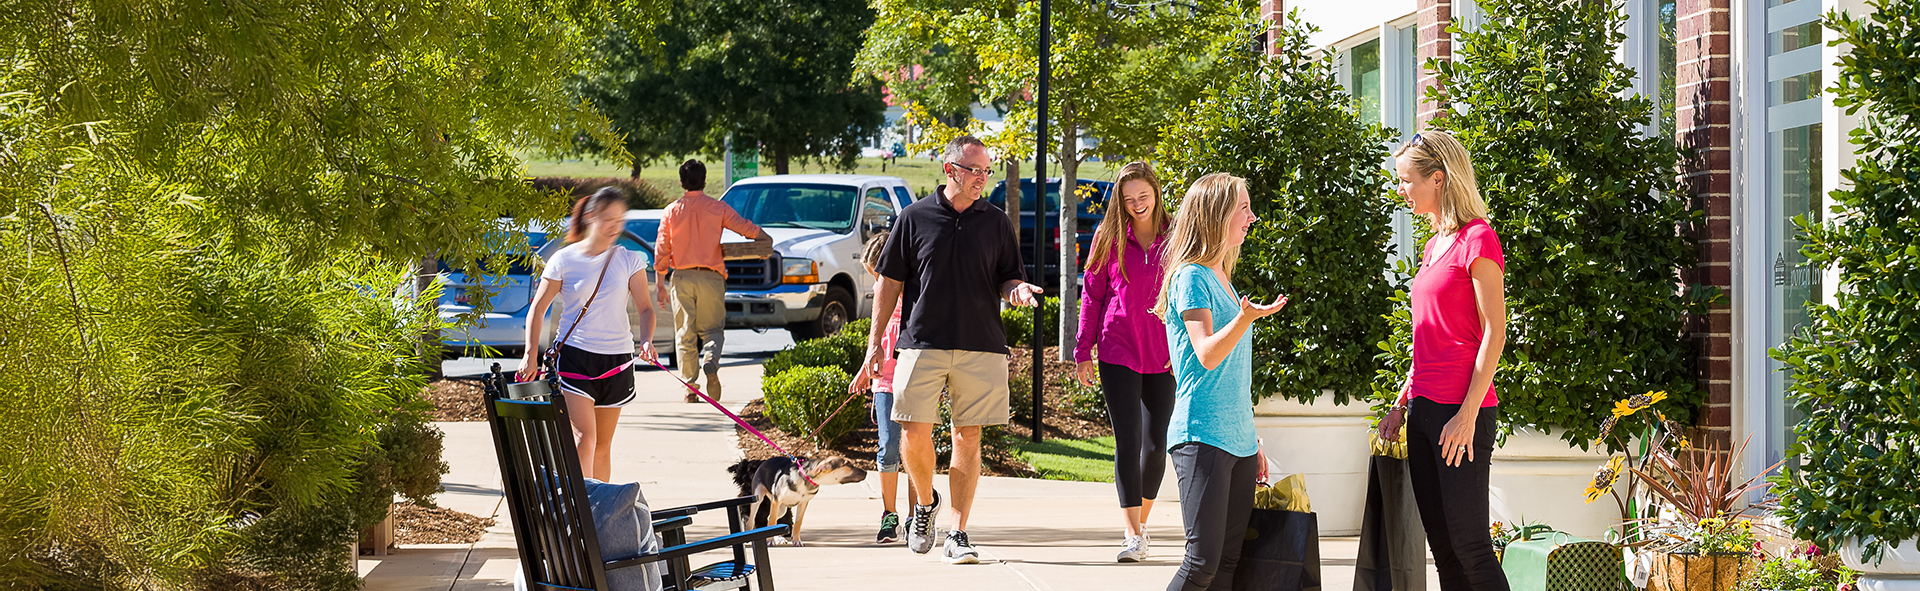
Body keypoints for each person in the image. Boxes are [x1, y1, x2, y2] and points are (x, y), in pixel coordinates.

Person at [861, 135, 1042, 564]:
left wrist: (1016, 291)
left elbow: (1008, 276)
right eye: (973, 170)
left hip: (982, 344)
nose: (982, 178)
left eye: (986, 171)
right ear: (950, 170)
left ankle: (958, 533)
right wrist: (874, 345)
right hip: (922, 341)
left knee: (968, 434)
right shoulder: (913, 217)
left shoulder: (996, 222)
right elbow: (888, 283)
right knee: (911, 430)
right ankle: (925, 504)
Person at [1376, 129, 1509, 591]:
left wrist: (1468, 413)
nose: (1401, 191)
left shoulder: (1479, 239)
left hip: (1462, 413)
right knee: (1444, 549)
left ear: (1438, 178)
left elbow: (1495, 332)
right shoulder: (1435, 245)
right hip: (1424, 410)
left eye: (1407, 180)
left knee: (1471, 545)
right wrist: (1400, 402)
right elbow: (1426, 338)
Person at [1156, 173, 1287, 591]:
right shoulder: (1191, 276)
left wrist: (1253, 438)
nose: (1251, 216)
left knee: (1228, 565)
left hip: (1238, 441)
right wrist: (1245, 318)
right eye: (1243, 208)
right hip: (1202, 435)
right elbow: (1207, 355)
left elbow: (1232, 375)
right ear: (1216, 215)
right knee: (1201, 564)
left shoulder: (1221, 278)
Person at [519, 187, 660, 482]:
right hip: (575, 359)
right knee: (585, 440)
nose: (614, 226)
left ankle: (599, 517)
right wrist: (530, 354)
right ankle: (582, 516)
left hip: (617, 361)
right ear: (590, 216)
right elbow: (538, 307)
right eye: (608, 218)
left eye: (620, 220)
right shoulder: (564, 259)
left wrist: (646, 340)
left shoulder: (628, 259)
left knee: (603, 448)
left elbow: (645, 308)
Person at [1074, 161, 1175, 563]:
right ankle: (1132, 533)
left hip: (1164, 354)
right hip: (1118, 349)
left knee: (1154, 446)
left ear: (1156, 192)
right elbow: (1092, 295)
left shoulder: (1177, 236)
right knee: (1127, 440)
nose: (1137, 205)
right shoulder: (1109, 236)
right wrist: (1083, 350)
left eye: (1143, 196)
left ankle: (1142, 522)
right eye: (1129, 199)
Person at [653, 160, 772, 403]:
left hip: (682, 278)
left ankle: (690, 388)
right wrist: (764, 239)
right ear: (704, 180)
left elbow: (662, 249)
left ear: (681, 182)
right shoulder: (718, 208)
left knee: (685, 333)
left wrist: (659, 285)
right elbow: (745, 227)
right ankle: (711, 360)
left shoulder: (671, 211)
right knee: (713, 330)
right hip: (712, 277)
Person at [849, 231, 919, 545]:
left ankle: (916, 514)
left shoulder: (917, 293)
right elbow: (875, 341)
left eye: (877, 274)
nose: (877, 283)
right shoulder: (881, 295)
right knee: (889, 446)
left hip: (917, 379)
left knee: (915, 450)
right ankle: (889, 514)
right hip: (885, 384)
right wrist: (866, 370)